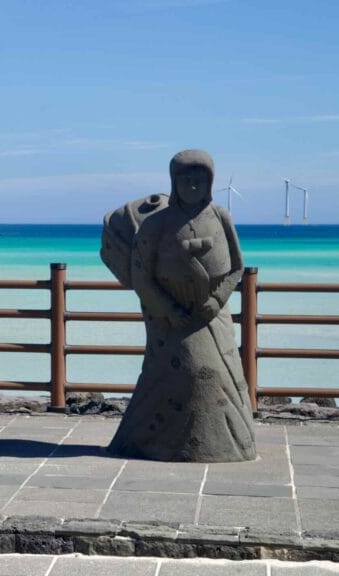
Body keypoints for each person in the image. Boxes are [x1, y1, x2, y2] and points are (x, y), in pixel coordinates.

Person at [107, 149, 256, 462]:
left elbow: (237, 267)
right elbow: (142, 276)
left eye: (199, 179)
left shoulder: (220, 216)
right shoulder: (157, 225)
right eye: (185, 179)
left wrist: (216, 300)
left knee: (222, 374)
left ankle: (232, 444)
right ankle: (153, 442)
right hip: (171, 319)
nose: (192, 185)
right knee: (187, 372)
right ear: (174, 182)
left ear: (210, 182)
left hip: (213, 314)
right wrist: (168, 309)